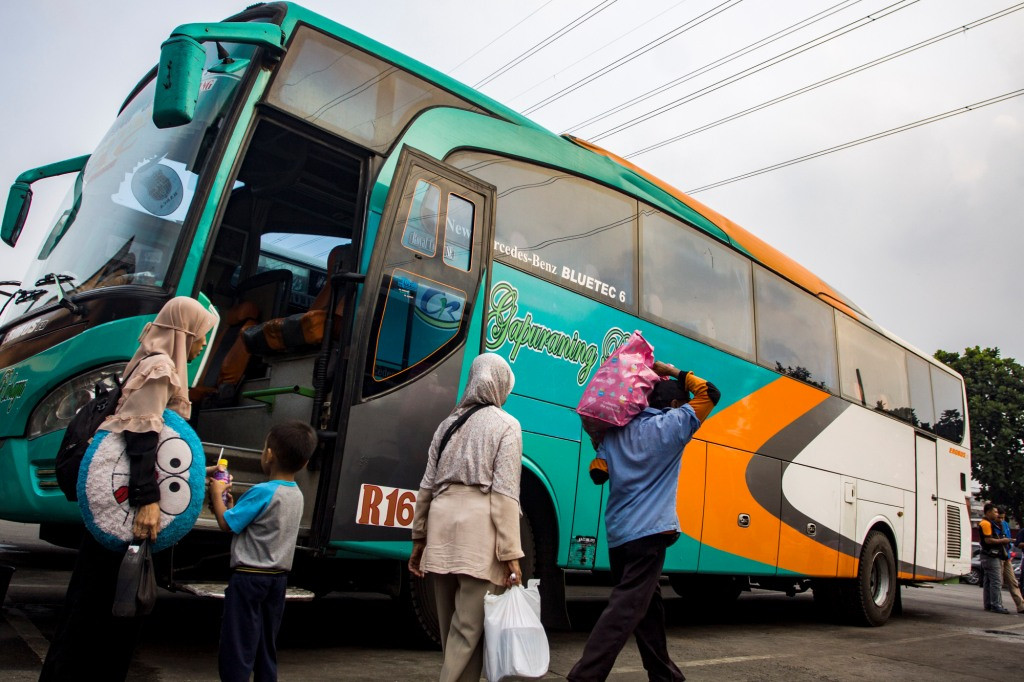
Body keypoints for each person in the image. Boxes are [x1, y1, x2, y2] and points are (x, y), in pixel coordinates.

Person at [39, 296, 217, 681]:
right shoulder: (159, 366)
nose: (202, 344)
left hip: (121, 509)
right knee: (107, 607)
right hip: (130, 511)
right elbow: (141, 435)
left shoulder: (146, 359)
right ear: (184, 331)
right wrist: (148, 501)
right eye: (201, 335)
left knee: (92, 599)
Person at [568, 360, 720, 682]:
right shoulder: (674, 426)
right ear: (675, 404)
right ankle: (585, 675)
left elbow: (599, 473)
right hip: (649, 536)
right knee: (624, 611)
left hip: (619, 537)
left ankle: (665, 676)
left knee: (647, 610)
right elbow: (711, 393)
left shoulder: (616, 432)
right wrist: (675, 370)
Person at [408, 353, 524, 682]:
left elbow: (427, 486)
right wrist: (511, 554)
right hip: (479, 534)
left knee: (453, 635)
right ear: (500, 385)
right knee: (468, 632)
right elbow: (504, 493)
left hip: (441, 529)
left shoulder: (446, 425)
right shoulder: (507, 425)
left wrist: (419, 539)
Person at [208, 419, 318, 682]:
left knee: (238, 641)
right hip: (277, 580)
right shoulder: (297, 495)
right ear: (304, 463)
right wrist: (231, 504)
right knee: (265, 643)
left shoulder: (261, 491)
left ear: (268, 454)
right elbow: (249, 520)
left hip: (248, 578)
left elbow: (227, 523)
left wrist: (216, 493)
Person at [978, 503, 1013, 614]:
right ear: (988, 512)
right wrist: (1003, 541)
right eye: (995, 512)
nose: (997, 514)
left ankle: (989, 603)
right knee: (996, 581)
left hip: (987, 555)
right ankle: (996, 605)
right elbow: (988, 540)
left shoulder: (988, 523)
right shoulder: (986, 524)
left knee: (988, 580)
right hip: (990, 556)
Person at [997, 509, 1024, 613]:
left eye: (1003, 517)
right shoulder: (992, 525)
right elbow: (1017, 543)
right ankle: (996, 604)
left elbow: (1009, 540)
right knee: (997, 582)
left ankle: (1021, 605)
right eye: (999, 517)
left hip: (1006, 555)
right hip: (997, 556)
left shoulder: (1005, 525)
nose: (1001, 520)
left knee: (1013, 582)